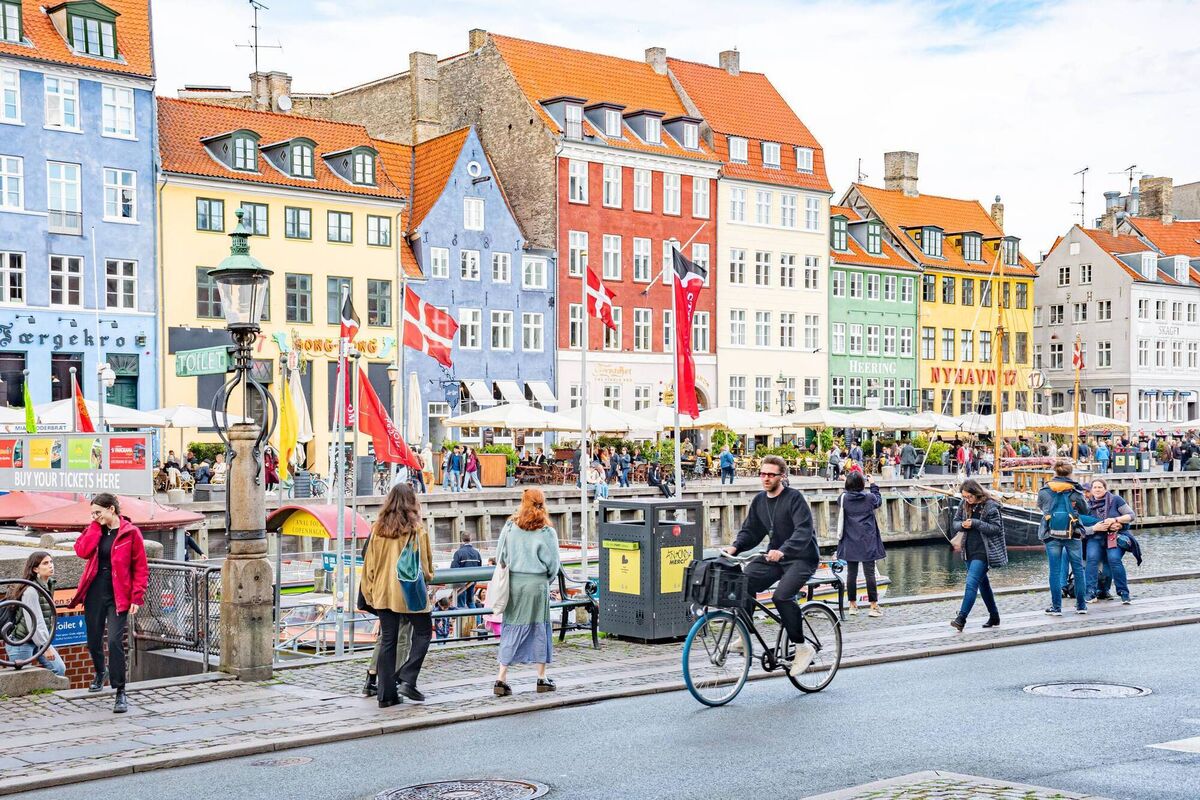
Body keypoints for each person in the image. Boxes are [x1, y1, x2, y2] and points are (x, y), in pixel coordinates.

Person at [722, 455, 820, 678]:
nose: (766, 478)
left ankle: (802, 647)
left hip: (802, 558)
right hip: (775, 557)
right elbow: (752, 530)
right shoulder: (759, 501)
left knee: (782, 596)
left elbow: (803, 531)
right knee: (743, 580)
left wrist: (784, 550)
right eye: (763, 474)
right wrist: (735, 547)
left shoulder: (794, 499)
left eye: (771, 475)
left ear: (781, 476)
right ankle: (745, 637)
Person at [71, 494, 148, 714]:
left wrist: (137, 597)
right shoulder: (95, 529)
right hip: (95, 591)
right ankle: (99, 672)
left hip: (118, 594)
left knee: (115, 641)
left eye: (98, 512)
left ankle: (120, 692)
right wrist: (95, 527)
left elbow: (140, 568)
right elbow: (82, 551)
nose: (95, 516)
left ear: (111, 509)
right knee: (93, 639)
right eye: (92, 513)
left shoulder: (131, 533)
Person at [359, 484, 434, 707]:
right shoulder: (416, 530)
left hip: (382, 592)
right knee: (423, 633)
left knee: (388, 640)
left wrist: (370, 591)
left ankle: (386, 695)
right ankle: (408, 677)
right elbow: (426, 568)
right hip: (408, 594)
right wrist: (429, 576)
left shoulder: (377, 529)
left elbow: (369, 565)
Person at [494, 488, 562, 696]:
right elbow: (554, 565)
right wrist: (543, 579)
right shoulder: (546, 531)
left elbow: (500, 558)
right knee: (539, 628)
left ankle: (501, 678)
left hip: (515, 583)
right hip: (537, 584)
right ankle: (541, 678)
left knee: (512, 627)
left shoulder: (509, 527)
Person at [949, 479, 1007, 631]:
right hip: (968, 549)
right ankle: (994, 616)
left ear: (976, 493)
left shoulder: (990, 506)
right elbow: (955, 522)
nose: (967, 499)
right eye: (964, 497)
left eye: (969, 496)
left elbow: (996, 528)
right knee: (983, 584)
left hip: (984, 550)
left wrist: (975, 523)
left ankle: (961, 618)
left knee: (971, 583)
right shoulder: (964, 504)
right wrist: (962, 524)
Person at [1037, 460, 1092, 616]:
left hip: (1051, 533)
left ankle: (1056, 607)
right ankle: (1081, 606)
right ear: (1070, 473)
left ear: (1055, 473)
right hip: (1072, 533)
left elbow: (1041, 507)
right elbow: (1086, 510)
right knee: (1078, 570)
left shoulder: (1045, 490)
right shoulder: (1075, 491)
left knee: (1054, 571)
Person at [5, 551, 65, 676]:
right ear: (35, 569)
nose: (50, 565)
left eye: (51, 562)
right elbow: (35, 620)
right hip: (21, 642)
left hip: (38, 640)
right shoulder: (31, 591)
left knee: (59, 669)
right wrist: (46, 647)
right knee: (22, 680)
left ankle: (46, 695)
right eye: (45, 563)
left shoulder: (48, 584)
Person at [835, 472, 885, 617]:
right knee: (870, 573)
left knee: (852, 573)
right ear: (863, 484)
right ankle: (873, 606)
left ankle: (852, 605)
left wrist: (847, 486)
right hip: (867, 539)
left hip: (850, 539)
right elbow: (879, 500)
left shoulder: (843, 498)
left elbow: (843, 499)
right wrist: (874, 484)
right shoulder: (869, 498)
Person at [1085, 479, 1135, 604]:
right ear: (1091, 490)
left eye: (1100, 487)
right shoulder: (1086, 504)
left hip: (1113, 537)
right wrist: (1094, 528)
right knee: (1092, 559)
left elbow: (1131, 515)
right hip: (1095, 537)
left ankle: (1124, 592)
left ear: (1105, 488)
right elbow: (1079, 524)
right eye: (1095, 487)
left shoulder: (1116, 500)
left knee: (1114, 560)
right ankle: (1090, 592)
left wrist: (1115, 520)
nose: (1097, 489)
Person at [451, 534, 483, 610]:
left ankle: (461, 619)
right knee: (471, 602)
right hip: (472, 581)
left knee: (460, 604)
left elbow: (453, 567)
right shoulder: (476, 553)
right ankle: (477, 620)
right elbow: (480, 566)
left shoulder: (459, 553)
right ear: (471, 539)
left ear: (461, 540)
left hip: (461, 582)